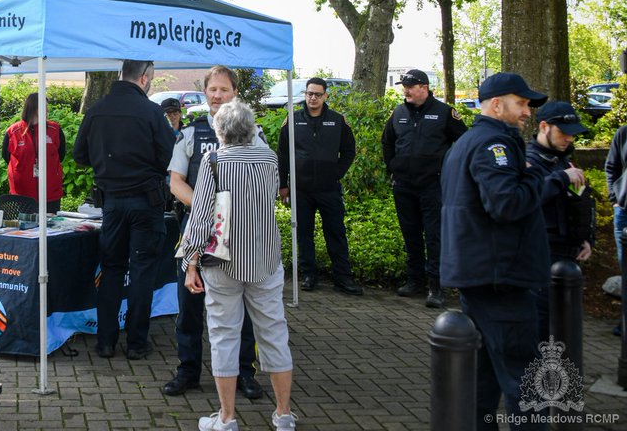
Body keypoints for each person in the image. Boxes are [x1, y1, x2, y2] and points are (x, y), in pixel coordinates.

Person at [441, 71, 560, 430]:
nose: (527, 112)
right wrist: (536, 175)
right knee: (526, 384)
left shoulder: (469, 141)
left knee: (485, 382)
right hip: (500, 280)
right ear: (497, 104)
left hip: (483, 276)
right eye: (521, 103)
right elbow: (506, 204)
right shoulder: (494, 144)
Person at [182, 99, 296, 431]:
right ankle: (284, 414)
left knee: (223, 336)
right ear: (251, 128)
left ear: (220, 130)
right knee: (274, 333)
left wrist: (190, 261)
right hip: (265, 258)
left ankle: (228, 417)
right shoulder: (270, 158)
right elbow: (271, 197)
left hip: (223, 262)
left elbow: (202, 216)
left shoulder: (213, 160)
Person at [165, 65, 265, 400]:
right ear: (205, 92)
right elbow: (175, 181)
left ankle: (243, 375)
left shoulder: (254, 133)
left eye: (224, 89)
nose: (218, 95)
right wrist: (207, 207)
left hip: (240, 233)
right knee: (189, 302)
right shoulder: (191, 134)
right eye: (213, 89)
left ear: (235, 92)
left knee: (243, 305)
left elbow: (265, 178)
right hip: (196, 228)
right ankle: (188, 371)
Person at [73, 59, 175, 360]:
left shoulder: (96, 111)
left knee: (112, 269)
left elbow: (80, 155)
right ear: (144, 79)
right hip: (146, 202)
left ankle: (105, 342)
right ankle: (136, 343)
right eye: (152, 80)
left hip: (112, 202)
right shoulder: (152, 112)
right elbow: (171, 156)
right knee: (142, 271)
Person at [381, 68, 467, 308]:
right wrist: (393, 167)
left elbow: (464, 142)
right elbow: (387, 142)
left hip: (433, 186)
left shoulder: (444, 112)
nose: (405, 90)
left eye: (410, 86)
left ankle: (436, 287)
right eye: (404, 86)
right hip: (404, 185)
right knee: (411, 235)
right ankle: (414, 280)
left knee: (434, 236)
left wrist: (450, 171)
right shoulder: (397, 113)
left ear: (424, 88)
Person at [276, 76, 362, 296]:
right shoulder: (293, 120)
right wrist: (283, 185)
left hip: (328, 188)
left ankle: (343, 278)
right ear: (304, 94)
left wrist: (336, 173)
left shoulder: (337, 120)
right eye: (309, 94)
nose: (312, 98)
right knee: (303, 233)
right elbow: (283, 154)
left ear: (325, 96)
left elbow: (349, 151)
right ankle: (308, 275)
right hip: (301, 189)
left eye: (317, 94)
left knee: (336, 233)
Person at [526, 101, 594, 339]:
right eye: (563, 132)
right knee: (542, 328)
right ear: (544, 127)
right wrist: (561, 178)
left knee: (565, 328)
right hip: (541, 254)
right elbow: (525, 199)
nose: (569, 138)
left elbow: (581, 202)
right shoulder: (529, 160)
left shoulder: (565, 161)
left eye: (572, 134)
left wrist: (586, 238)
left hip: (568, 255)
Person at [3, 92, 66, 213]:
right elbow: (7, 157)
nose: (47, 110)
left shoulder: (55, 129)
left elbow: (60, 155)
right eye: (44, 106)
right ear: (33, 107)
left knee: (50, 228)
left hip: (50, 191)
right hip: (23, 192)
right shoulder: (13, 131)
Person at [604, 121, 627, 336]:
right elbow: (612, 166)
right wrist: (615, 199)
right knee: (625, 269)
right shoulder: (624, 133)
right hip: (624, 213)